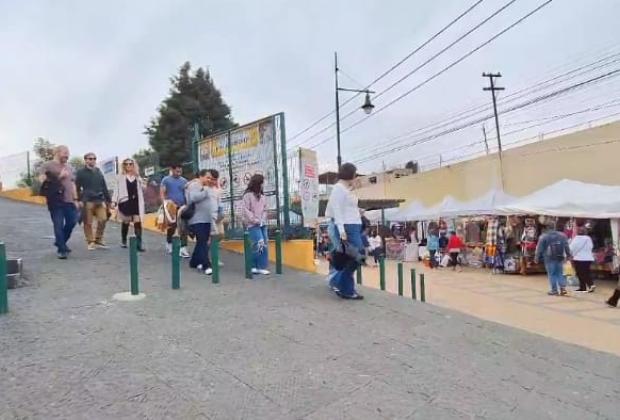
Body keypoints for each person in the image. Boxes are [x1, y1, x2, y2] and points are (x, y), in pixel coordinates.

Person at [324, 162, 364, 300]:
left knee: (352, 257)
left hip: (354, 225)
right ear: (350, 174)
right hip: (348, 226)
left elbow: (347, 208)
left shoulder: (345, 189)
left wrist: (358, 211)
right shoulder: (339, 189)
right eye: (355, 174)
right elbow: (337, 211)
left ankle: (344, 286)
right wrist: (341, 230)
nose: (355, 177)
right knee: (358, 256)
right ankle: (341, 284)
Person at [40, 145, 78, 259]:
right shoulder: (47, 165)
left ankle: (60, 242)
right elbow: (42, 181)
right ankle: (62, 249)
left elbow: (72, 184)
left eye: (68, 153)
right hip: (55, 201)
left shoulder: (70, 167)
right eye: (65, 152)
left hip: (69, 201)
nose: (67, 155)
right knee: (58, 224)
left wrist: (76, 199)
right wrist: (59, 177)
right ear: (57, 152)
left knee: (72, 222)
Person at [75, 153, 111, 250]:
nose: (92, 160)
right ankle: (90, 241)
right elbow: (76, 187)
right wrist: (78, 200)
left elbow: (104, 186)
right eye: (90, 159)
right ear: (85, 160)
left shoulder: (98, 171)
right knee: (88, 222)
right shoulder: (81, 172)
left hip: (99, 199)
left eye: (94, 158)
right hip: (87, 201)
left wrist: (108, 200)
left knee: (103, 219)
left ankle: (98, 239)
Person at [186, 169, 217, 275]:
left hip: (207, 219)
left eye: (210, 178)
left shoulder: (207, 187)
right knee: (203, 241)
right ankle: (206, 265)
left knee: (201, 242)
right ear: (201, 176)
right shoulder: (194, 185)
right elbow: (193, 198)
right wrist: (205, 191)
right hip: (197, 219)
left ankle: (194, 261)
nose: (209, 180)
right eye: (207, 177)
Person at [113, 158, 145, 251]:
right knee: (126, 222)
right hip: (125, 201)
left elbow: (143, 188)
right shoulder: (120, 177)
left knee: (137, 222)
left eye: (130, 164)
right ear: (124, 166)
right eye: (126, 164)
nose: (128, 166)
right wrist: (114, 201)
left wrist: (142, 181)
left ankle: (139, 245)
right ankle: (123, 240)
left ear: (133, 165)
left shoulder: (137, 177)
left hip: (136, 202)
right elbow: (116, 190)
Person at [241, 174, 270, 275]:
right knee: (258, 243)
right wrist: (255, 220)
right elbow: (246, 210)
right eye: (262, 183)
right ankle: (253, 265)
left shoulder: (263, 196)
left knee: (264, 244)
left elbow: (265, 209)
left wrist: (262, 219)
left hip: (262, 224)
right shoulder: (247, 195)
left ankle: (261, 266)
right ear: (258, 183)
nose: (263, 185)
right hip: (252, 224)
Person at [160, 165, 190, 258]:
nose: (178, 173)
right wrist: (164, 204)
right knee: (172, 226)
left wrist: (187, 204)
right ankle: (169, 243)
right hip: (171, 207)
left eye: (180, 171)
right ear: (172, 170)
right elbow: (162, 192)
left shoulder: (184, 181)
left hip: (182, 207)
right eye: (177, 171)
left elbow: (187, 193)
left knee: (183, 227)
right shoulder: (166, 180)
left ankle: (183, 248)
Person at [535, 223, 572, 296]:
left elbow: (539, 249)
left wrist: (536, 257)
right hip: (560, 257)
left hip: (549, 258)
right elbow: (566, 246)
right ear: (555, 227)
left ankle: (554, 290)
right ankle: (562, 288)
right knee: (561, 273)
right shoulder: (562, 235)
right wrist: (568, 255)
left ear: (546, 228)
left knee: (552, 274)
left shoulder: (543, 237)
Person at [570, 226, 595, 292]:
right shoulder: (588, 238)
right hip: (588, 258)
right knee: (586, 272)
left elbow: (572, 248)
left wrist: (570, 255)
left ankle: (584, 287)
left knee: (580, 273)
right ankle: (590, 285)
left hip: (579, 258)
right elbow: (591, 247)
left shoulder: (576, 238)